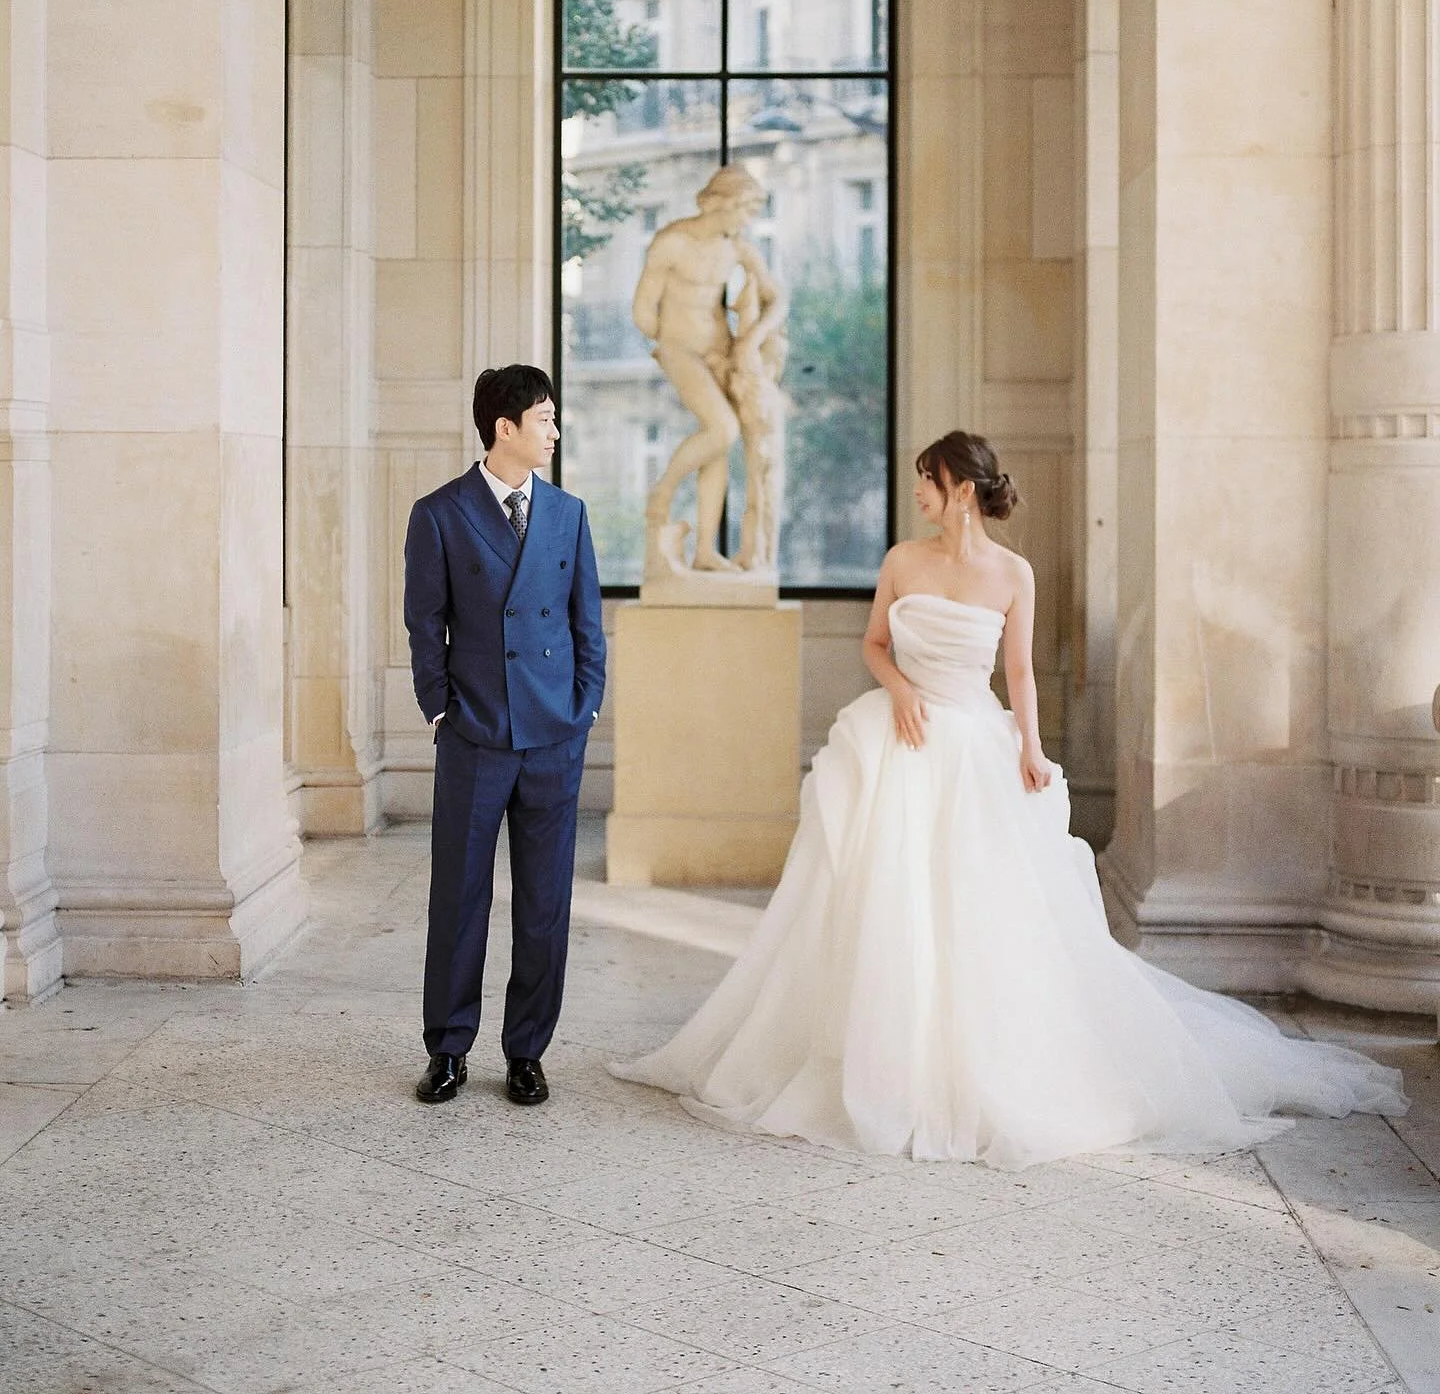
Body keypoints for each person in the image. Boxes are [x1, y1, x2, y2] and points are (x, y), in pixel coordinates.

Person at [612, 431, 1406, 1167]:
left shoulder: (1013, 573)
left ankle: (972, 1064)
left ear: (959, 489)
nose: (918, 491)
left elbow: (1019, 674)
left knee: (978, 912)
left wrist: (1030, 746)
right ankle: (878, 1056)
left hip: (973, 743)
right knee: (881, 899)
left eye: (928, 479)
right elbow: (874, 644)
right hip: (900, 741)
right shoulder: (902, 560)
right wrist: (896, 692)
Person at [404, 365, 605, 1107]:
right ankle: (448, 1049)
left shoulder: (568, 513)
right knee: (458, 898)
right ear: (506, 428)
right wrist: (440, 709)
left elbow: (588, 622)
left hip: (554, 735)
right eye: (545, 418)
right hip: (476, 734)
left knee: (544, 902)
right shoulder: (440, 513)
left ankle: (526, 1051)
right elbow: (424, 623)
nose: (555, 430)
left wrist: (585, 707)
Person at [631, 163, 785, 576]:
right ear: (727, 202)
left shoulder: (736, 247)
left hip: (721, 351)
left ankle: (703, 550)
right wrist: (665, 344)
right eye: (746, 210)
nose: (749, 221)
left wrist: (750, 341)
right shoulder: (672, 242)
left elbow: (778, 299)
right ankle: (662, 491)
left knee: (717, 444)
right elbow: (643, 308)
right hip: (681, 350)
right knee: (723, 429)